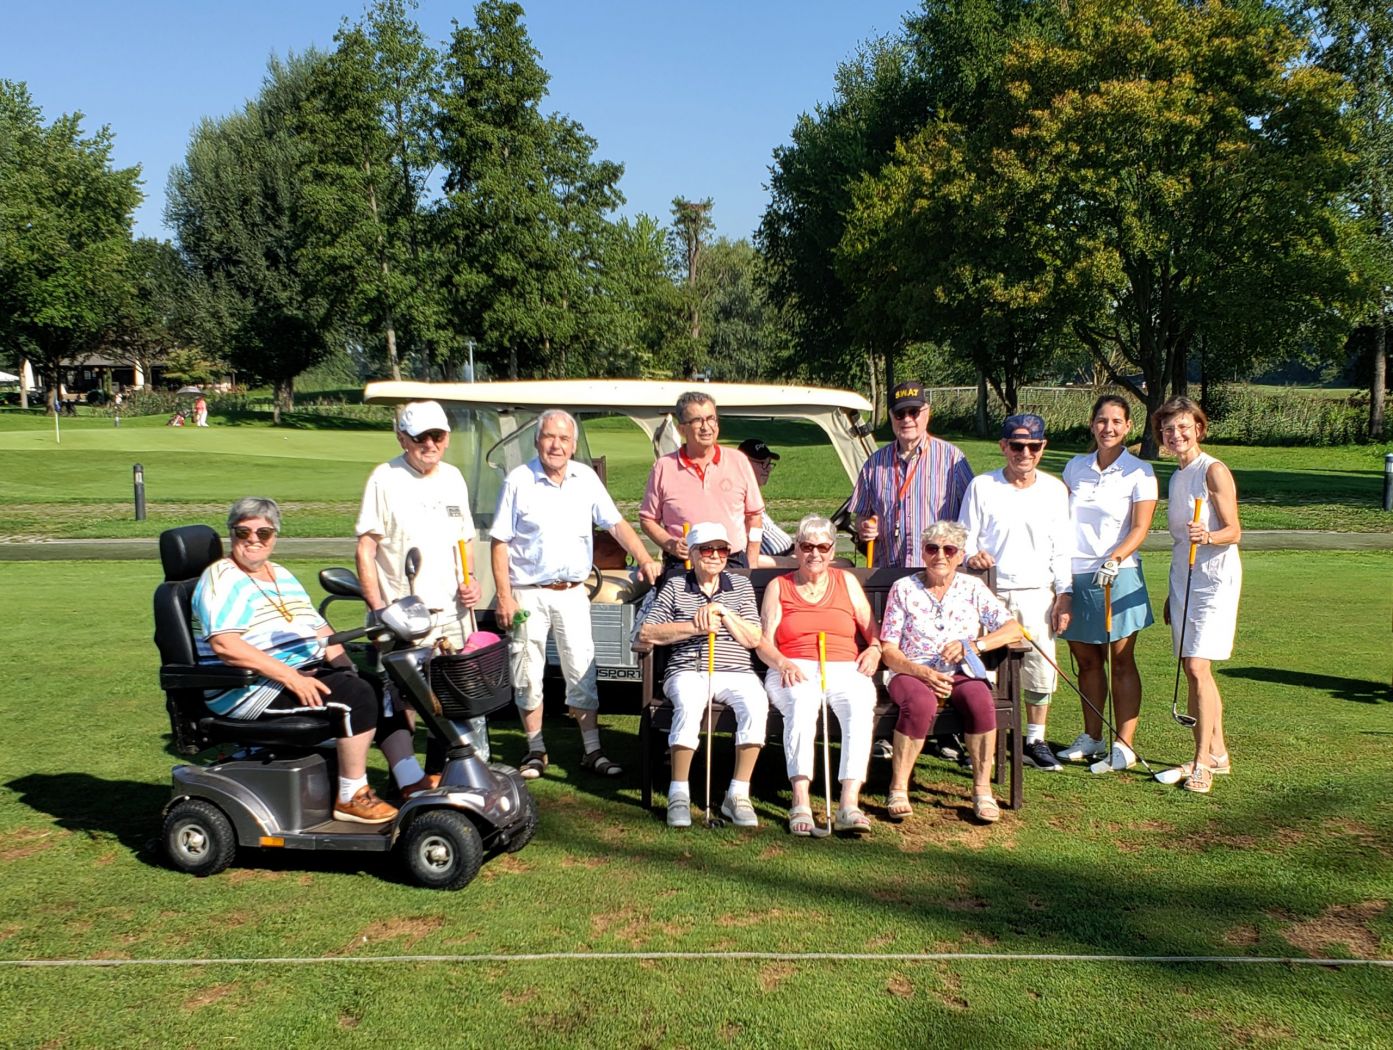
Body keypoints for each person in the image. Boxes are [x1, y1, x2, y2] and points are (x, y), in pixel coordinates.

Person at [193, 498, 429, 824]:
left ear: (274, 535)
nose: (253, 540)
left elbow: (319, 629)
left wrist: (346, 667)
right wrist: (292, 678)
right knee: (356, 698)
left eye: (263, 532)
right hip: (248, 688)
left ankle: (411, 781)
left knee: (380, 688)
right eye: (242, 532)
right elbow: (226, 645)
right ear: (231, 534)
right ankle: (351, 795)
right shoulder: (220, 579)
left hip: (294, 672)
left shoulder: (280, 574)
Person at [492, 408, 663, 780]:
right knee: (527, 670)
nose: (556, 445)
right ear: (538, 440)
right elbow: (500, 542)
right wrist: (504, 596)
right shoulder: (519, 481)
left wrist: (647, 558)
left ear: (572, 445)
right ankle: (536, 749)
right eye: (549, 437)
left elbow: (615, 523)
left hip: (572, 592)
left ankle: (592, 750)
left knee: (582, 668)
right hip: (527, 593)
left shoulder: (584, 479)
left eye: (564, 438)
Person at [355, 400, 486, 773]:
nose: (430, 444)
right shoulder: (385, 478)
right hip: (403, 614)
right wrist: (379, 608)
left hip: (454, 613)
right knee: (404, 699)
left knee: (453, 696)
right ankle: (406, 777)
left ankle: (444, 775)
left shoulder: (453, 477)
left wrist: (471, 580)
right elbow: (366, 547)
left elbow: (464, 540)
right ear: (402, 439)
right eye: (420, 437)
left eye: (438, 435)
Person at [879, 521, 1022, 823]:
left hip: (961, 670)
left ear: (960, 555)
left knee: (980, 701)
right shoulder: (903, 589)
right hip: (912, 671)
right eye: (932, 548)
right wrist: (921, 672)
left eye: (949, 549)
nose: (940, 556)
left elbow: (1012, 628)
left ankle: (982, 791)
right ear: (923, 553)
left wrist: (975, 645)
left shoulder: (972, 588)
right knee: (920, 703)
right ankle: (899, 788)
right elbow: (889, 650)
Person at [959, 413, 1073, 772]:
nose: (1025, 453)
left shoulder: (1055, 490)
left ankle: (1035, 740)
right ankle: (985, 738)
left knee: (1039, 669)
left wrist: (1064, 594)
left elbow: (1062, 548)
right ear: (1004, 446)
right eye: (1017, 446)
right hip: (987, 591)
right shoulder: (982, 486)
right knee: (982, 669)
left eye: (1033, 446)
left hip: (1037, 591)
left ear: (1043, 448)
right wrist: (971, 555)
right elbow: (965, 537)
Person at [637, 522, 768, 828]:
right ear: (693, 554)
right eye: (707, 549)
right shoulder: (674, 585)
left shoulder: (741, 586)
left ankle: (737, 795)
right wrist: (694, 628)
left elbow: (753, 638)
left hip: (736, 670)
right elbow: (649, 631)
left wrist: (724, 613)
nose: (715, 555)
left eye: (721, 549)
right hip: (688, 668)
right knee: (690, 702)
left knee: (756, 704)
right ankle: (678, 793)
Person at [757, 515, 881, 835]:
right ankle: (800, 799)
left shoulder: (846, 582)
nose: (815, 554)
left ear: (832, 549)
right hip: (792, 664)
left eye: (823, 547)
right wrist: (782, 663)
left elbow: (871, 629)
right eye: (807, 546)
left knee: (859, 704)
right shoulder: (779, 586)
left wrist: (875, 649)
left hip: (844, 665)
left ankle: (848, 804)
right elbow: (763, 642)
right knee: (802, 702)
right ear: (796, 549)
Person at [1057, 394, 1158, 773]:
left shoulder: (1139, 471)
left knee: (1121, 659)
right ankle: (1092, 736)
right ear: (1092, 424)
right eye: (1102, 420)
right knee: (1086, 660)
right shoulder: (1075, 467)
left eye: (1116, 421)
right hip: (1078, 573)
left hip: (1119, 571)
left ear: (1128, 426)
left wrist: (1115, 558)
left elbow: (1141, 526)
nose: (1108, 428)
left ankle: (1124, 743)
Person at [1152, 396, 1242, 794]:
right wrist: (1173, 594)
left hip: (1214, 578)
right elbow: (1177, 540)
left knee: (1196, 668)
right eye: (1169, 430)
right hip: (1183, 575)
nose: (1176, 435)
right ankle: (1217, 753)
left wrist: (1208, 535)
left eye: (1184, 427)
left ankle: (1202, 762)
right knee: (1195, 668)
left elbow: (1234, 531)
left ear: (1199, 429)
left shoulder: (1213, 471)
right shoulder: (1176, 476)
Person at [640, 391, 764, 582]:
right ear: (682, 429)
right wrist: (670, 544)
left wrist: (752, 564)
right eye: (697, 421)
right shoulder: (664, 467)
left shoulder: (738, 461)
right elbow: (648, 520)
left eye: (711, 419)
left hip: (732, 563)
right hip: (684, 566)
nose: (706, 427)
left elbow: (755, 517)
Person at [851, 379, 974, 569]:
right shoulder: (873, 464)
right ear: (891, 416)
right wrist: (865, 527)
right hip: (888, 573)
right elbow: (861, 515)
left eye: (914, 412)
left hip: (938, 572)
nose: (907, 419)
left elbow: (972, 516)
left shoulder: (953, 459)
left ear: (927, 413)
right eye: (900, 414)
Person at [737, 438, 794, 563]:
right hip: (777, 561)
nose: (767, 469)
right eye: (762, 463)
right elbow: (749, 545)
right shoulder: (738, 499)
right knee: (845, 564)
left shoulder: (753, 495)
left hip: (787, 555)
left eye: (769, 463)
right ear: (744, 464)